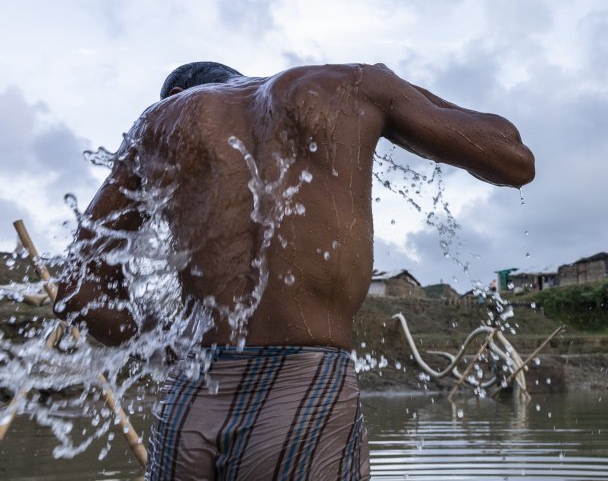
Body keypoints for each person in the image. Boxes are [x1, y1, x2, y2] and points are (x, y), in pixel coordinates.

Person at [54, 61, 535, 480]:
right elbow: (513, 159)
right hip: (303, 389)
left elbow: (78, 291)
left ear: (180, 96)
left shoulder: (161, 121)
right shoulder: (346, 86)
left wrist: (170, 351)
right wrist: (394, 94)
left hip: (189, 396)